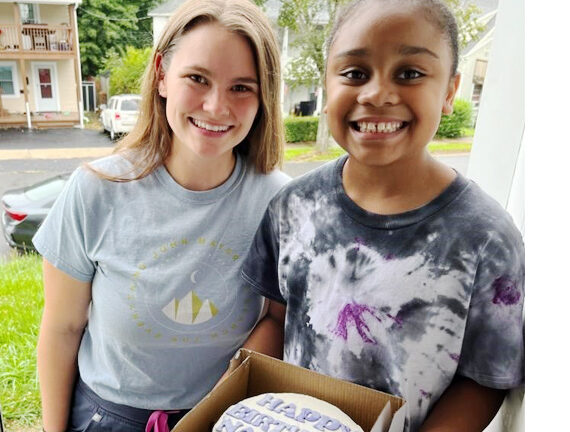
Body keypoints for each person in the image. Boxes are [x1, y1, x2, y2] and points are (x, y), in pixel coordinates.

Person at [239, 0, 524, 431]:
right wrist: (239, 387)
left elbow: (482, 381)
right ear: (326, 84)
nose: (377, 94)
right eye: (354, 74)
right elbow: (277, 320)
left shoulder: (486, 238)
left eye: (409, 73)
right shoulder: (291, 206)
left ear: (449, 90)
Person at [33, 0, 290, 430]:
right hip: (104, 416)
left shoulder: (279, 202)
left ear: (264, 96)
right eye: (197, 78)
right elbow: (62, 327)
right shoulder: (95, 190)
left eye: (241, 87)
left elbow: (276, 319)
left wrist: (222, 405)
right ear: (161, 75)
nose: (215, 106)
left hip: (222, 416)